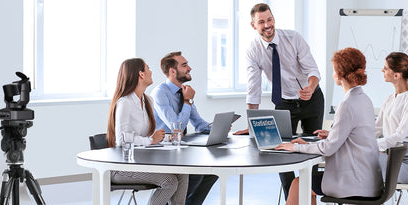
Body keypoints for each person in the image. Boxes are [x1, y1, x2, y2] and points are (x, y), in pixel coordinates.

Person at [236, 3, 325, 199]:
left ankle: (309, 198)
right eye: (261, 22)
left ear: (273, 19)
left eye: (269, 19)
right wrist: (252, 122)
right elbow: (254, 89)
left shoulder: (293, 38)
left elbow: (313, 70)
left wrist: (310, 87)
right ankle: (290, 199)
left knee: (312, 149)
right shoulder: (253, 50)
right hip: (284, 103)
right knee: (279, 152)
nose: (267, 25)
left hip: (311, 98)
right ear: (253, 25)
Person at [275, 47, 383, 205]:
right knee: (305, 183)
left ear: (339, 75)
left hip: (353, 184)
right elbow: (354, 135)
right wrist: (332, 135)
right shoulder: (365, 99)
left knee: (298, 184)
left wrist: (296, 147)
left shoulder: (347, 104)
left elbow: (328, 149)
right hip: (369, 180)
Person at [107, 58, 188, 205]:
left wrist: (167, 137)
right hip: (121, 167)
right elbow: (121, 140)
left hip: (140, 162)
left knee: (182, 173)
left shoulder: (148, 100)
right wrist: (151, 140)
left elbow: (150, 136)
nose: (151, 71)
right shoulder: (124, 103)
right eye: (148, 68)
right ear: (141, 74)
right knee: (169, 181)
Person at [151, 51, 218, 205]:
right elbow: (177, 129)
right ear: (172, 71)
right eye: (184, 65)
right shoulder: (160, 93)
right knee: (195, 173)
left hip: (180, 148)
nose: (189, 68)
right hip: (163, 150)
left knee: (212, 172)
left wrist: (217, 128)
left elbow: (199, 124)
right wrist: (187, 102)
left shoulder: (184, 92)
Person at [375, 52, 408, 184]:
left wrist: (371, 145)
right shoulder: (388, 100)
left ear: (396, 75)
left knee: (367, 160)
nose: (382, 70)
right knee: (360, 159)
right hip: (393, 158)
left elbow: (399, 136)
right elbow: (376, 129)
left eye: (386, 68)